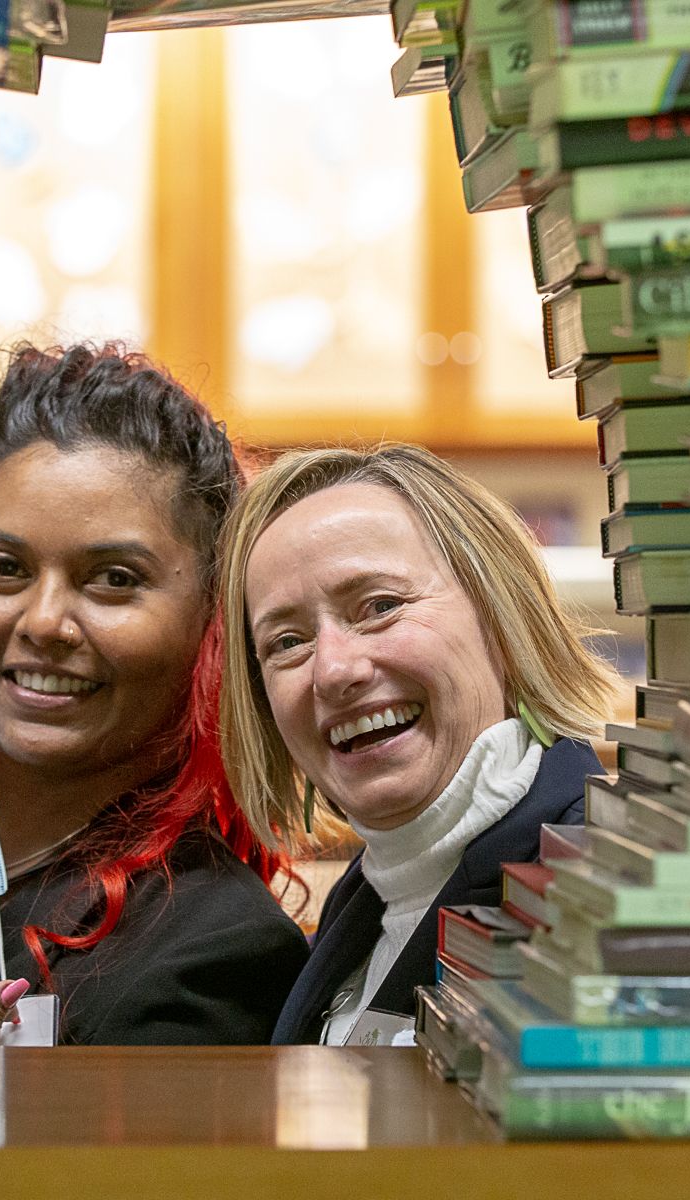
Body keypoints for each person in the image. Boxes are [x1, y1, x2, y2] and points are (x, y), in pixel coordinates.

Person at [0, 343, 308, 1045]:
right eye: (5, 568)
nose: (42, 622)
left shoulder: (212, 952)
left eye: (114, 579)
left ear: (211, 622)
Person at [218, 444, 625, 1045]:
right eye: (286, 641)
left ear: (502, 615)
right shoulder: (373, 893)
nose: (332, 670)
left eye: (380, 607)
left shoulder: (601, 898)